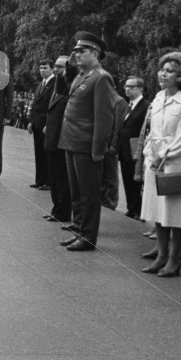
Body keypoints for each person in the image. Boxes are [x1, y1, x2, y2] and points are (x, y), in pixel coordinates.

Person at [139, 51, 181, 277]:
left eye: (171, 71)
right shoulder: (158, 98)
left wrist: (162, 154)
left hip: (175, 163)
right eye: (162, 70)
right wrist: (149, 154)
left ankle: (175, 258)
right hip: (154, 162)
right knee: (158, 211)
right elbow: (151, 132)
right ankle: (161, 255)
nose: (164, 74)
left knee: (175, 213)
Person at [58, 31, 116, 252]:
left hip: (86, 144)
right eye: (75, 52)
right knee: (76, 191)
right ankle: (80, 229)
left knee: (89, 193)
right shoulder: (81, 76)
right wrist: (74, 63)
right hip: (71, 141)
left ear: (95, 53)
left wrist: (98, 149)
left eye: (81, 52)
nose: (77, 55)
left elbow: (104, 117)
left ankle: (88, 236)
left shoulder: (101, 78)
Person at [43, 56, 72, 223]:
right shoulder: (57, 87)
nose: (56, 70)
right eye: (55, 66)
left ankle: (64, 212)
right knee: (53, 177)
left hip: (61, 140)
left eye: (60, 67)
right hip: (51, 138)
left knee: (62, 179)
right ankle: (56, 209)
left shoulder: (69, 89)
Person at [118, 76, 150, 219]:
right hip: (124, 150)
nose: (127, 89)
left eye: (131, 87)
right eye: (126, 86)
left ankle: (138, 210)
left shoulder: (145, 106)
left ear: (140, 89)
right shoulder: (128, 105)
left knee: (136, 181)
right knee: (127, 179)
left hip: (136, 149)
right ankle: (131, 208)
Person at [28, 61, 55, 189]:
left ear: (52, 69)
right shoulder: (40, 84)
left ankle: (49, 181)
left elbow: (53, 106)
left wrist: (49, 123)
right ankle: (40, 180)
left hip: (46, 124)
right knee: (39, 153)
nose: (42, 70)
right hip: (37, 123)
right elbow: (35, 105)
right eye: (41, 68)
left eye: (45, 68)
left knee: (47, 154)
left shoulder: (55, 84)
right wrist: (31, 121)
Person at [102, 93, 128, 210]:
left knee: (111, 175)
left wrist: (114, 144)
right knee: (102, 173)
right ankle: (103, 199)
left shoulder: (119, 101)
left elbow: (118, 125)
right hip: (102, 143)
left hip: (110, 143)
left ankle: (111, 202)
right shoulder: (104, 98)